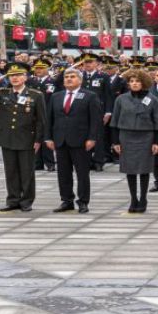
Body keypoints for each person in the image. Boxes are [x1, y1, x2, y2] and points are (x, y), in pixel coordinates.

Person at [0, 63, 46, 212]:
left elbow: (41, 120)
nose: (15, 78)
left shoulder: (35, 95)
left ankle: (27, 201)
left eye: (18, 75)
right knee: (10, 171)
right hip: (7, 137)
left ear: (25, 77)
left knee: (26, 171)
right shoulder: (2, 92)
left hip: (26, 138)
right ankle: (13, 200)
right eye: (11, 76)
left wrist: (38, 139)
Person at [46, 68, 103, 214]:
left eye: (72, 77)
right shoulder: (56, 96)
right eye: (66, 77)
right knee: (63, 173)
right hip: (60, 140)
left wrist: (92, 138)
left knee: (82, 173)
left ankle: (83, 201)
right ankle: (67, 200)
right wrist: (48, 137)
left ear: (80, 80)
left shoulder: (90, 96)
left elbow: (95, 120)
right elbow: (49, 119)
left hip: (81, 140)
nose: (69, 79)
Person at [111, 69, 158, 213]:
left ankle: (143, 198)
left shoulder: (153, 99)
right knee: (130, 170)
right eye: (131, 81)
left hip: (146, 137)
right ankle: (133, 198)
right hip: (126, 137)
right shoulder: (121, 99)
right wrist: (116, 142)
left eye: (137, 81)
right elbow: (114, 122)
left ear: (144, 83)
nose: (134, 84)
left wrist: (156, 142)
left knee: (144, 169)